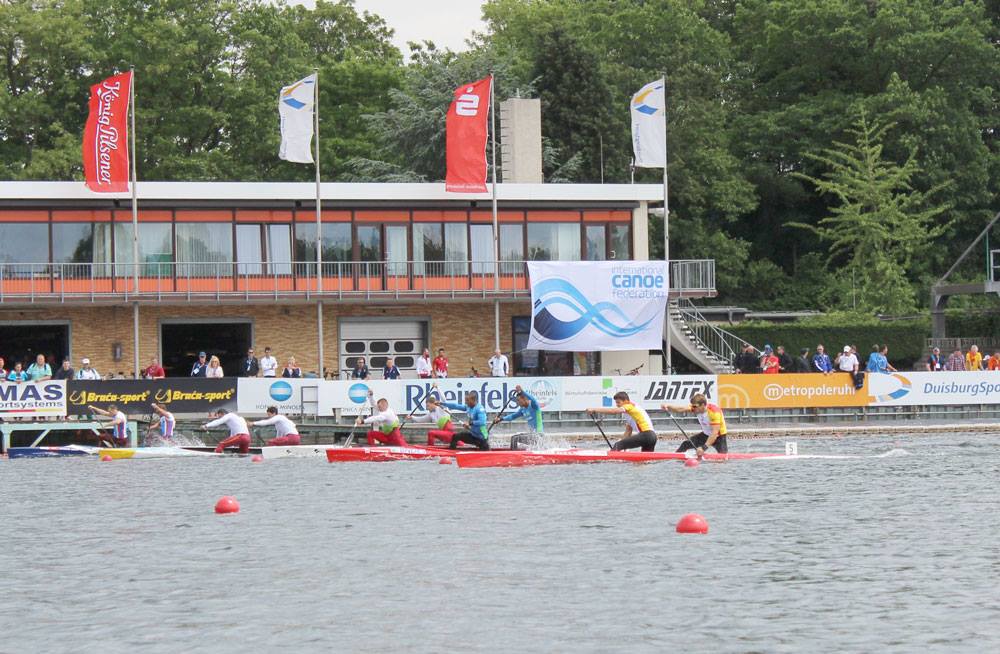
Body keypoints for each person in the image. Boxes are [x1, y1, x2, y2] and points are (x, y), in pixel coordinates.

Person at [587, 391, 657, 452]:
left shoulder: (629, 406)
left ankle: (610, 460)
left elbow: (613, 411)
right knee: (644, 462)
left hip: (646, 435)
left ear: (626, 401)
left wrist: (594, 410)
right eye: (616, 403)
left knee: (618, 445)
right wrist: (622, 444)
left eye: (618, 402)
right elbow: (628, 431)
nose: (617, 405)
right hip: (653, 437)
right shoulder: (632, 413)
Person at [662, 393, 728, 455]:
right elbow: (680, 409)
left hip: (719, 437)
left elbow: (714, 433)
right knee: (685, 444)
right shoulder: (695, 408)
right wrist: (668, 406)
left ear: (702, 405)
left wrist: (703, 448)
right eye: (693, 406)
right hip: (706, 435)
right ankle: (676, 458)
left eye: (695, 406)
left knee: (723, 459)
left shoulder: (714, 412)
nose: (693, 408)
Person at [493, 385, 544, 450]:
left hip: (538, 435)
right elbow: (512, 416)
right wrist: (500, 419)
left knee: (515, 439)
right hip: (532, 435)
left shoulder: (534, 406)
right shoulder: (523, 409)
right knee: (514, 438)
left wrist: (522, 391)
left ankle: (513, 456)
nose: (517, 403)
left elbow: (532, 399)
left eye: (518, 400)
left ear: (525, 399)